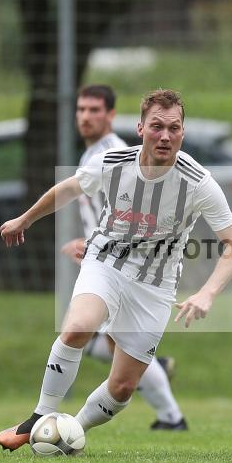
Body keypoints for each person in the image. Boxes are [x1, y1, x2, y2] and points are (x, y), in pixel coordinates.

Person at [0, 89, 232, 451]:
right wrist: (24, 219)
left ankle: (69, 432)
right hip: (106, 263)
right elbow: (67, 189)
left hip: (156, 286)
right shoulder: (114, 162)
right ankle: (38, 417)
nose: (165, 135)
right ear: (141, 128)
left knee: (123, 386)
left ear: (182, 132)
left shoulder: (197, 182)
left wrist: (207, 293)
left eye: (174, 128)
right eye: (157, 126)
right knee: (78, 327)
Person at [61, 83, 189, 432]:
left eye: (95, 110)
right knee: (106, 344)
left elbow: (132, 212)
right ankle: (168, 407)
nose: (86, 117)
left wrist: (101, 246)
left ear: (112, 115)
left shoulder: (119, 152)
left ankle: (171, 415)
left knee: (105, 344)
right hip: (106, 259)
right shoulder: (94, 154)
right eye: (81, 109)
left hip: (126, 266)